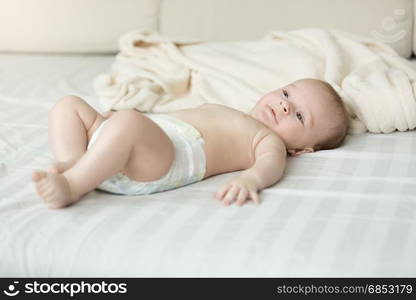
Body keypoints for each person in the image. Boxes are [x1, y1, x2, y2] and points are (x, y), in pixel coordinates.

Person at [32, 78, 349, 209]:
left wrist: (251, 178)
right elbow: (166, 122)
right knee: (69, 105)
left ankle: (72, 186)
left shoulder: (268, 141)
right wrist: (114, 125)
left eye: (298, 116)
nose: (283, 106)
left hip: (161, 162)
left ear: (302, 149)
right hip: (139, 138)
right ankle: (75, 163)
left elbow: (270, 165)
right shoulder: (228, 110)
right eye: (285, 94)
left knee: (129, 121)